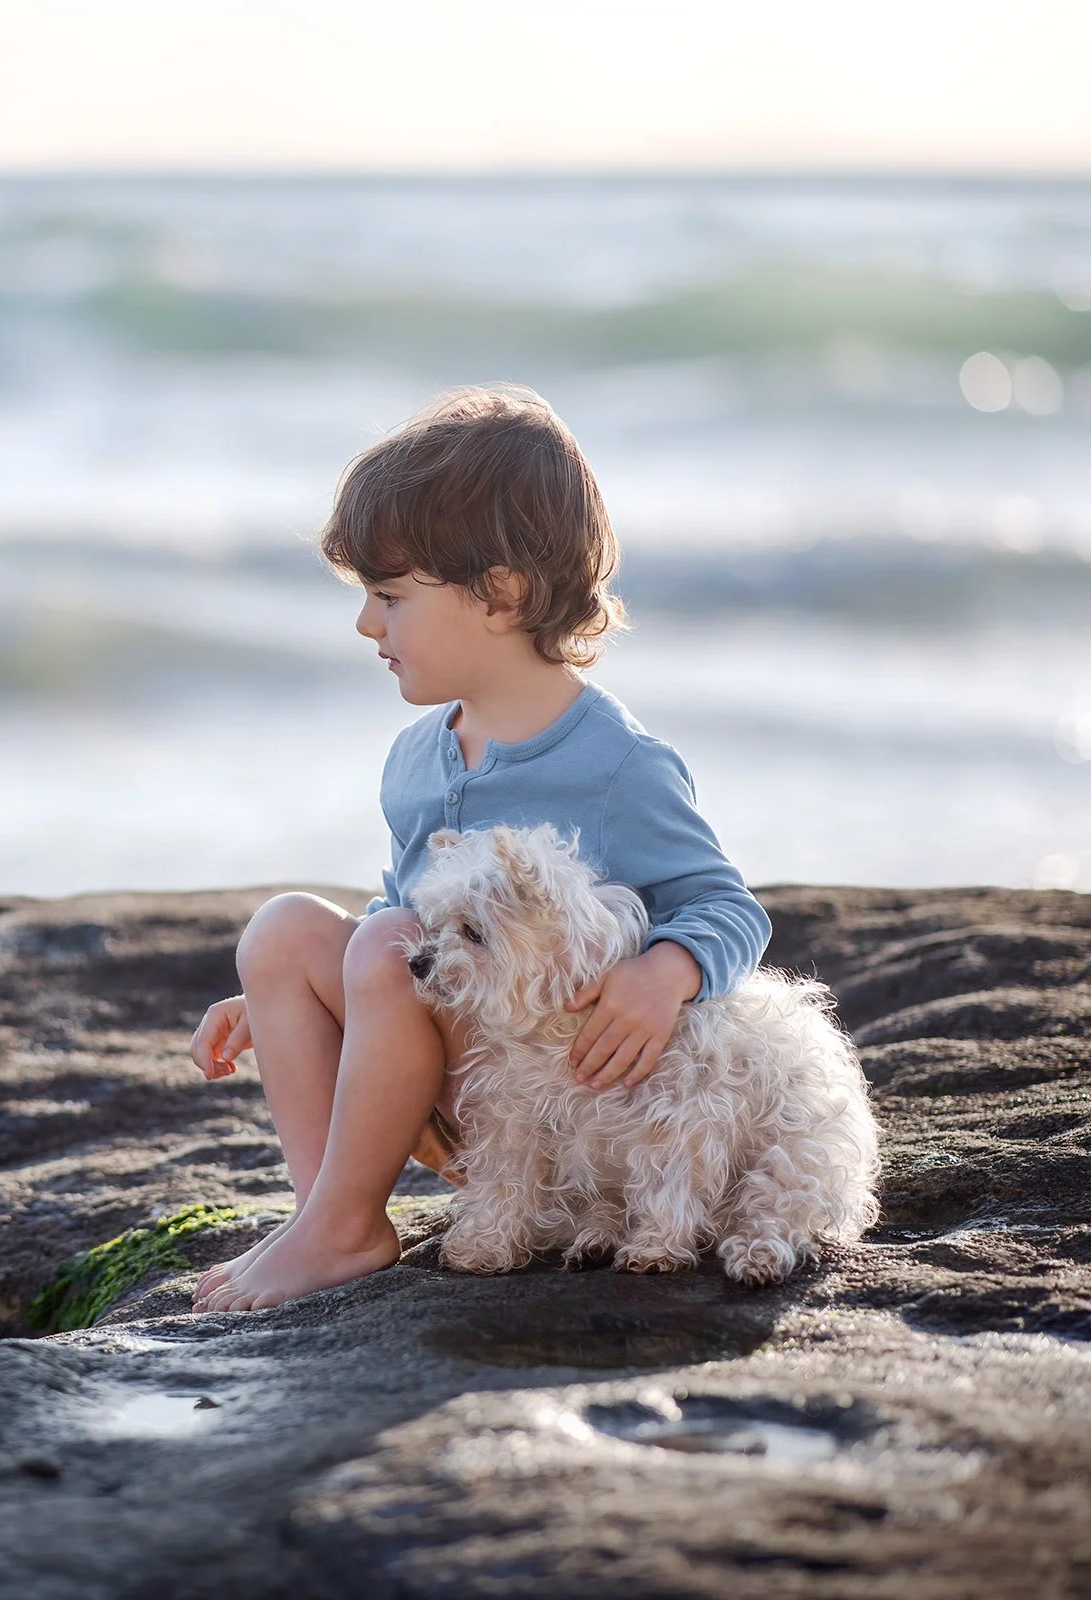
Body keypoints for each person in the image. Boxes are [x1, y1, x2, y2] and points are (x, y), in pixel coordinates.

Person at [187, 385, 770, 1313]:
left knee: (381, 947)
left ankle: (336, 1228)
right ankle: (330, 1218)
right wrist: (286, 995)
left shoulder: (616, 763)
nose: (366, 626)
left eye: (390, 597)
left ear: (501, 594)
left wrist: (665, 972)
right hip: (464, 1092)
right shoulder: (418, 759)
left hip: (566, 1112)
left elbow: (730, 908)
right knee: (285, 930)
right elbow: (401, 920)